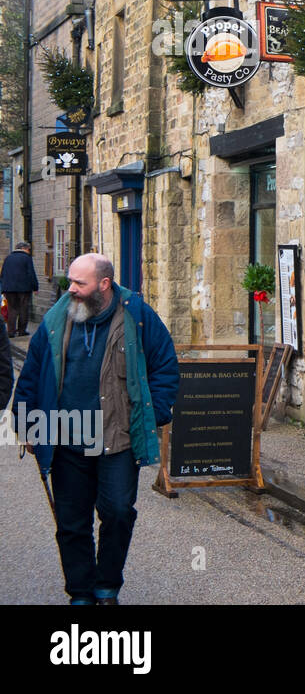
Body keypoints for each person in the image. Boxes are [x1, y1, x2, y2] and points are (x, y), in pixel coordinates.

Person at [11, 253, 178, 605]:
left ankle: (107, 585)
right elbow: (32, 372)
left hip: (117, 438)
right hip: (66, 438)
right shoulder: (58, 318)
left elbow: (165, 364)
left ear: (104, 285)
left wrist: (155, 411)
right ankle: (81, 593)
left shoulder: (138, 317)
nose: (70, 289)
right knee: (72, 523)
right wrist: (26, 423)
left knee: (118, 513)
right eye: (70, 281)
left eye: (79, 283)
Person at [1, 241, 39, 337]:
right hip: (24, 288)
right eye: (28, 249)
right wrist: (35, 287)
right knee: (23, 309)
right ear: (24, 248)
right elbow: (31, 273)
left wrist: (3, 288)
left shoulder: (8, 258)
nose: (29, 251)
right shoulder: (26, 258)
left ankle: (11, 332)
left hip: (9, 289)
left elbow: (3, 274)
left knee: (12, 309)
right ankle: (22, 331)